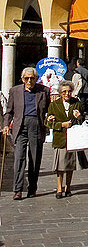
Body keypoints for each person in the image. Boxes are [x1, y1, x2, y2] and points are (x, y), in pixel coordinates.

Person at [2, 67, 51, 199]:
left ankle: (32, 188)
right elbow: (9, 111)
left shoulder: (44, 91)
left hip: (36, 126)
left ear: (36, 79)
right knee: (19, 158)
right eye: (26, 78)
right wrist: (6, 124)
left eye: (32, 78)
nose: (29, 81)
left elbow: (49, 109)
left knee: (34, 159)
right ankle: (17, 189)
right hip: (20, 127)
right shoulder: (15, 91)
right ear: (22, 79)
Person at [45, 79, 86, 198]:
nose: (67, 94)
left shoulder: (76, 103)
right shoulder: (54, 105)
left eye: (69, 91)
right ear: (60, 93)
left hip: (73, 139)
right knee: (60, 166)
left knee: (70, 165)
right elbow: (48, 123)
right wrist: (60, 125)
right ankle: (59, 187)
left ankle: (68, 186)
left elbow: (83, 121)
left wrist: (79, 117)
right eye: (64, 92)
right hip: (60, 138)